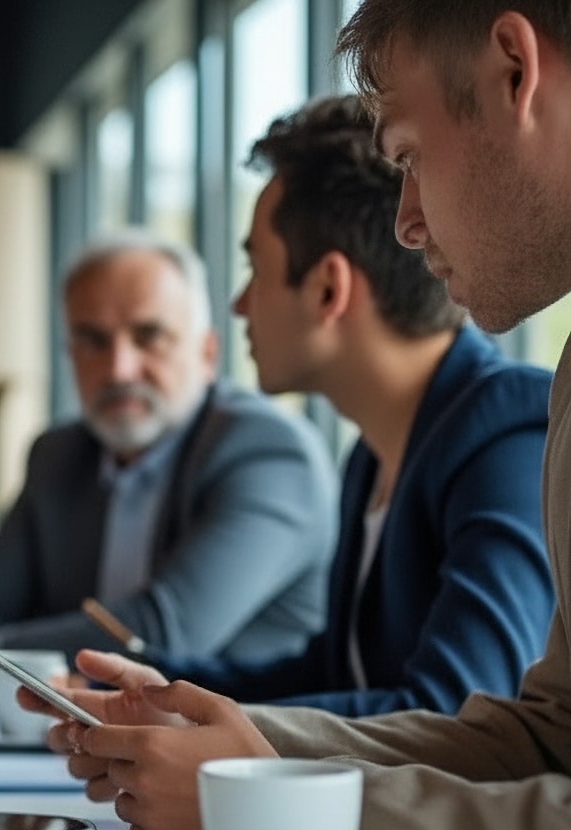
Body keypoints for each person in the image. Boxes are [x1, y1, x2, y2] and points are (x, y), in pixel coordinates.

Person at [41, 5, 571, 830]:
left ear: (515, 71)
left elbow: (465, 705)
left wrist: (254, 798)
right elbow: (546, 738)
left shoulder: (502, 425)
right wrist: (219, 732)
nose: (406, 220)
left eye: (406, 155)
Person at [154, 95, 554, 716]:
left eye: (254, 269)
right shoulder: (369, 458)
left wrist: (228, 727)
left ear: (328, 289)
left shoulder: (507, 438)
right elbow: (335, 672)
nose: (239, 306)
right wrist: (152, 690)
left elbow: (453, 711)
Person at [0, 233, 336, 667]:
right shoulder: (59, 456)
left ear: (207, 353)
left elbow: (162, 631)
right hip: (70, 727)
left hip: (245, 729)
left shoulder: (270, 454)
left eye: (149, 336)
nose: (119, 369)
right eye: (94, 341)